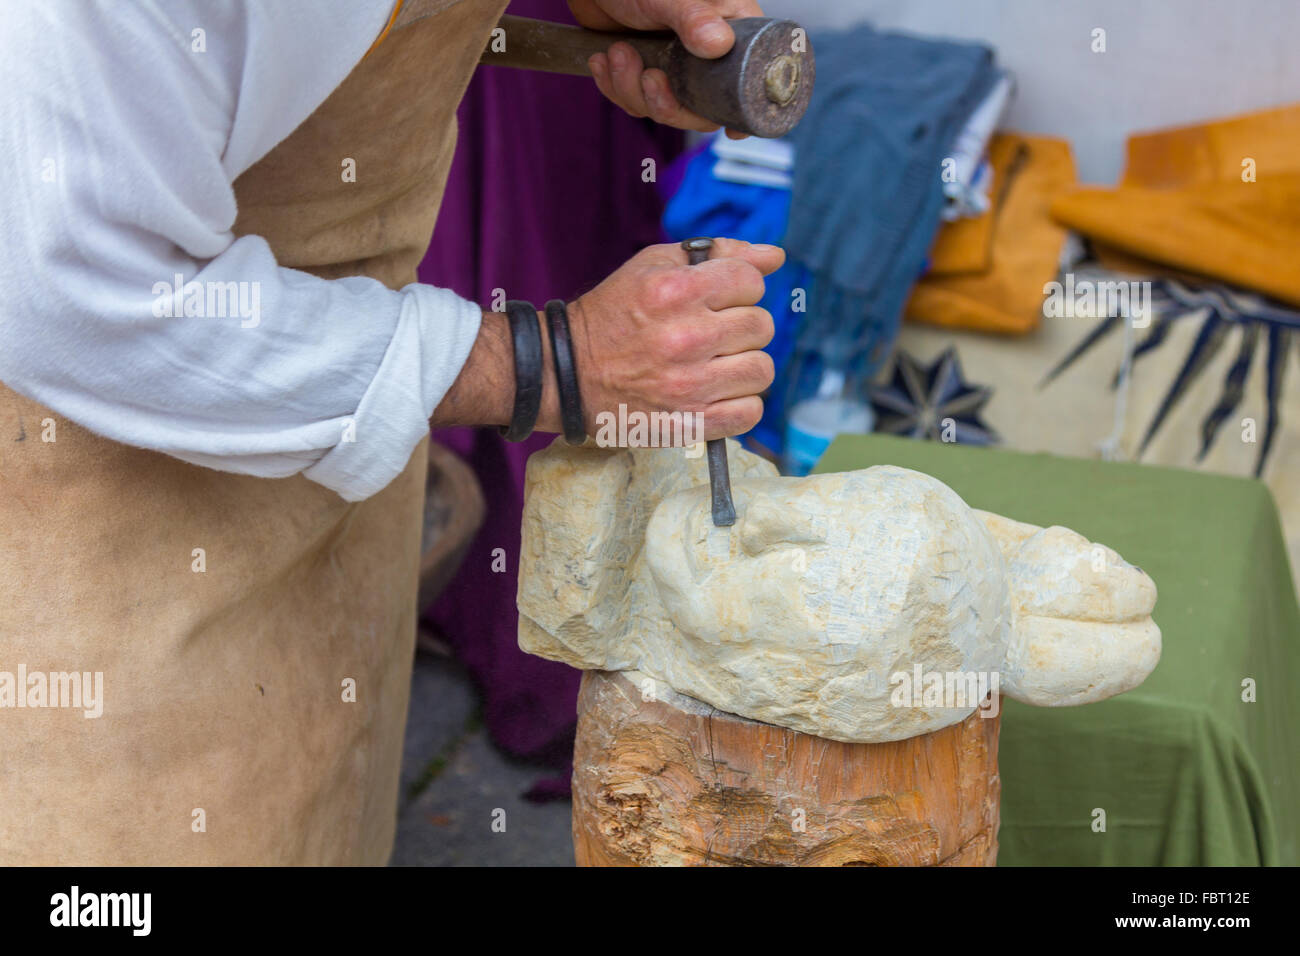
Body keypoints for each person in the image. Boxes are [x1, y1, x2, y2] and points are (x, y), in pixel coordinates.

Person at [0, 0, 780, 864]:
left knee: (323, 806)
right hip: (101, 504)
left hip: (347, 463)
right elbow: (78, 300)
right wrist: (551, 363)